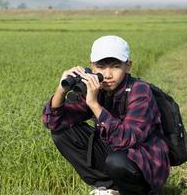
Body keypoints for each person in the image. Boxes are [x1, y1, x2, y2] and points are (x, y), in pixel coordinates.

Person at [42, 35, 170, 195]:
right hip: (117, 153)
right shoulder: (97, 88)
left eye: (115, 66)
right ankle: (109, 188)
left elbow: (127, 140)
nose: (108, 74)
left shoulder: (140, 91)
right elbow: (53, 122)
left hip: (145, 161)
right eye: (101, 67)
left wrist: (94, 105)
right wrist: (61, 90)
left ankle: (141, 192)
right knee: (61, 133)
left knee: (116, 160)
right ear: (92, 66)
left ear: (128, 66)